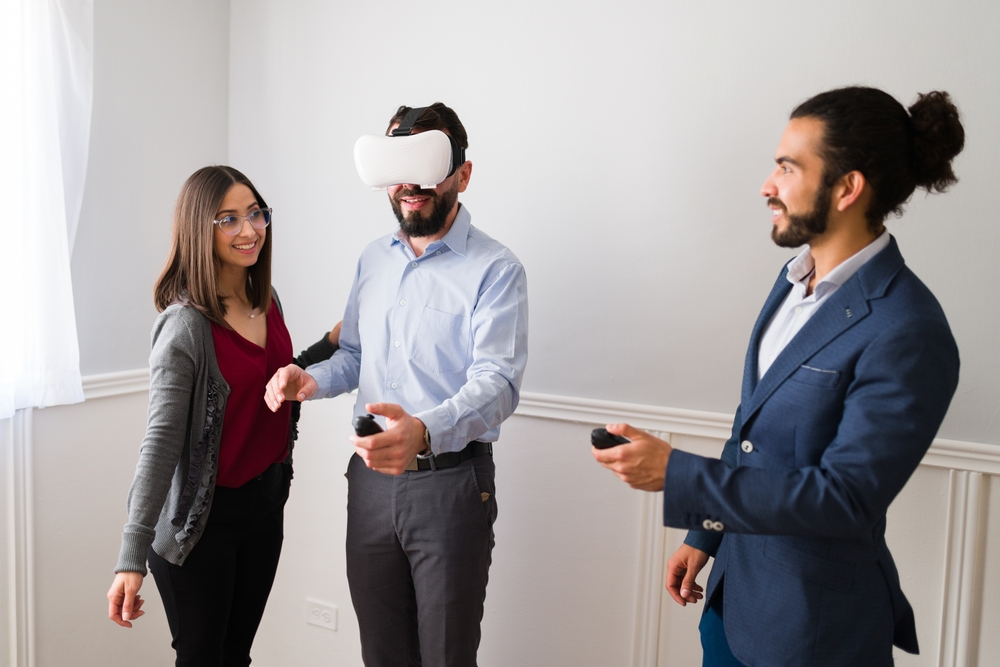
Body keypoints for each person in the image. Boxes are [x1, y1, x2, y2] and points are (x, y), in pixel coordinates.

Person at [593, 86, 965, 667]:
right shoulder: (792, 280)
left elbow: (843, 499)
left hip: (812, 635)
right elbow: (754, 429)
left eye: (788, 167)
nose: (768, 185)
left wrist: (678, 475)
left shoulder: (908, 329)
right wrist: (705, 533)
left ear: (847, 187)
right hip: (731, 602)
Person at [264, 102, 529, 667]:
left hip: (451, 487)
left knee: (445, 657)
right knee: (382, 655)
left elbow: (498, 383)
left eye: (426, 166)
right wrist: (306, 380)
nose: (410, 185)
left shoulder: (496, 269)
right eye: (398, 170)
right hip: (369, 487)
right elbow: (356, 354)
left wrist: (425, 431)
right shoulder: (372, 260)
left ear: (462, 173)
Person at [106, 165, 340, 666]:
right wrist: (131, 557)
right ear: (199, 228)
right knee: (203, 659)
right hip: (202, 526)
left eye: (255, 214)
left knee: (236, 656)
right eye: (228, 219)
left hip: (264, 505)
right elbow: (160, 444)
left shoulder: (266, 301)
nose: (249, 230)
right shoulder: (185, 326)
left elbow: (274, 379)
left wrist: (328, 346)